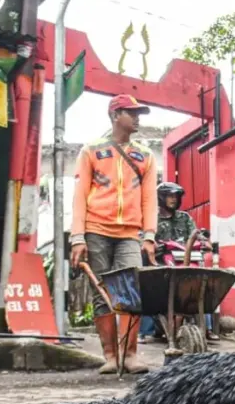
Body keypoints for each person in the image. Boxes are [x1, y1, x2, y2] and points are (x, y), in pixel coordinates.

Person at [70, 94, 158, 374]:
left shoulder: (145, 155)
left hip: (130, 234)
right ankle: (110, 356)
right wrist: (77, 237)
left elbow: (149, 199)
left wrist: (149, 235)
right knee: (102, 293)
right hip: (95, 230)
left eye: (138, 113)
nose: (137, 118)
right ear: (115, 115)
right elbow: (79, 196)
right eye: (131, 113)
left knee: (131, 292)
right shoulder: (91, 151)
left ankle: (130, 355)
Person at [153, 181, 219, 342]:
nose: (173, 199)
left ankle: (207, 328)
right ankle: (147, 330)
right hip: (162, 263)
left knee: (201, 285)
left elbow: (196, 234)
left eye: (176, 196)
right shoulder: (153, 219)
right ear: (161, 198)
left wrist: (204, 241)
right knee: (150, 287)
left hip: (187, 259)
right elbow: (145, 238)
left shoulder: (185, 218)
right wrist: (153, 245)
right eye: (169, 196)